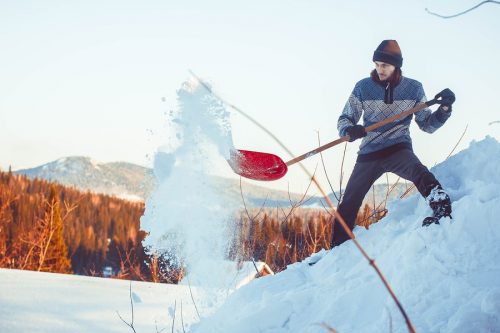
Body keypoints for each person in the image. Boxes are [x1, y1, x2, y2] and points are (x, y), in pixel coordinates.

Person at [331, 39, 455, 248]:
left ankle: (441, 207)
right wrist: (350, 130)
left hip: (398, 147)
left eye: (385, 65)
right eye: (377, 64)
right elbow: (345, 118)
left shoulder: (414, 88)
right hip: (369, 152)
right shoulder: (363, 87)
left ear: (396, 66)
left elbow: (427, 125)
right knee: (349, 200)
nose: (380, 69)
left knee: (419, 171)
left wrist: (443, 110)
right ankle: (335, 249)